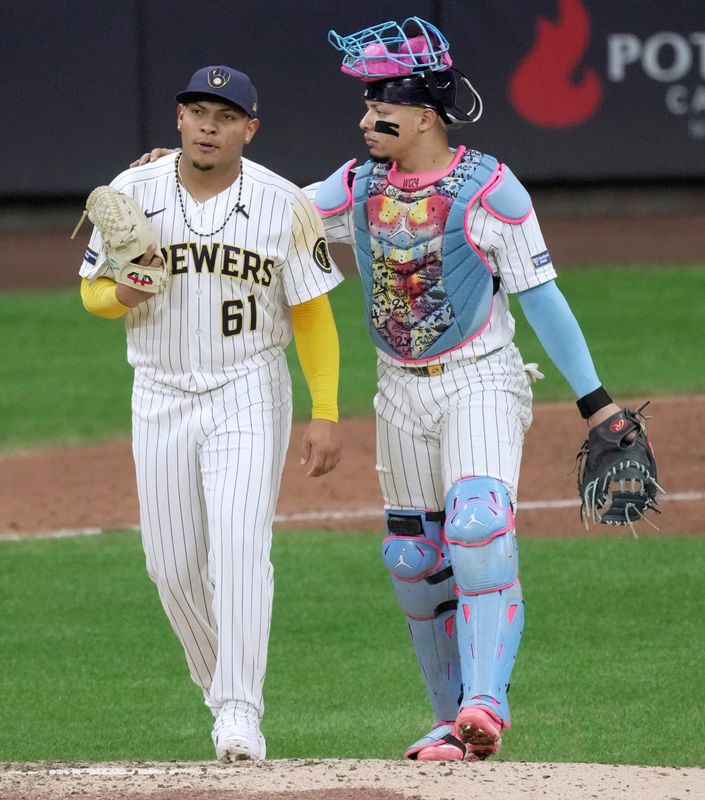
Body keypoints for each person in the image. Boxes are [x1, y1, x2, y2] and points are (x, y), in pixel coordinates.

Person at [305, 17, 630, 762]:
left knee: (478, 526)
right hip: (396, 391)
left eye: (378, 103)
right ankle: (451, 721)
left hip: (480, 379)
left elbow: (541, 295)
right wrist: (182, 178)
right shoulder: (352, 187)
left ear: (423, 112)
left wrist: (595, 400)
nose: (364, 118)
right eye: (363, 103)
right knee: (412, 562)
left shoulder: (489, 188)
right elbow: (275, 215)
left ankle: (485, 702)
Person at [77, 65, 343, 762]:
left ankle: (238, 712)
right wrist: (124, 294)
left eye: (224, 116)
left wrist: (325, 409)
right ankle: (218, 685)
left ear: (248, 129)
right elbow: (92, 296)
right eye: (197, 112)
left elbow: (312, 313)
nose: (207, 126)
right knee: (168, 564)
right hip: (158, 391)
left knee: (238, 549)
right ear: (177, 118)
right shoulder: (131, 191)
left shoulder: (283, 203)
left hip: (248, 388)